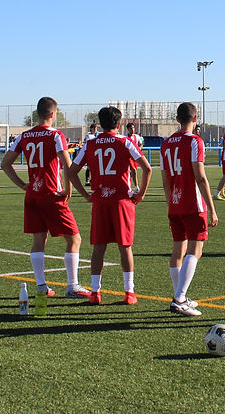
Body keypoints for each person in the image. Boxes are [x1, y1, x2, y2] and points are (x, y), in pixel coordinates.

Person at [0, 97, 91, 299]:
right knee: (74, 238)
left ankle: (41, 286)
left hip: (33, 193)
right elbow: (68, 166)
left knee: (39, 239)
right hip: (51, 193)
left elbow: (5, 164)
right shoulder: (56, 135)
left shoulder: (24, 136)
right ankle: (73, 285)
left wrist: (23, 184)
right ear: (52, 114)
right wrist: (68, 190)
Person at [68, 106, 152, 305]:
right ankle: (129, 292)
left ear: (100, 122)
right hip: (122, 200)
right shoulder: (125, 142)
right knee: (125, 247)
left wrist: (86, 195)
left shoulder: (91, 144)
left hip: (100, 201)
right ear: (119, 122)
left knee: (99, 248)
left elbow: (71, 172)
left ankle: (95, 292)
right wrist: (141, 194)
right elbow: (147, 168)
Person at [159, 102, 217, 316]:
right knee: (195, 249)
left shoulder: (165, 145)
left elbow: (165, 180)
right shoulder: (195, 141)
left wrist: (170, 203)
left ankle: (179, 294)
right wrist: (212, 208)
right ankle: (179, 297)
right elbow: (200, 177)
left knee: (178, 248)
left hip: (174, 204)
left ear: (177, 119)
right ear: (195, 118)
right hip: (193, 203)